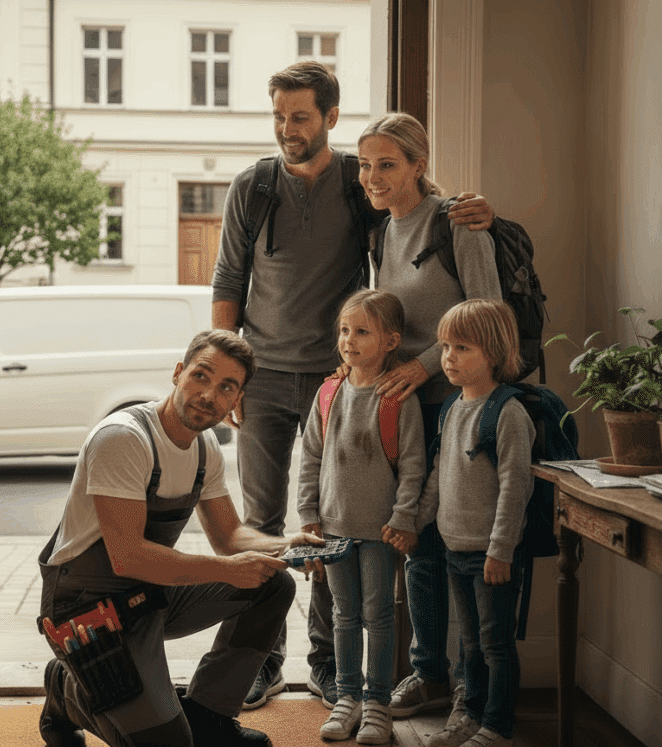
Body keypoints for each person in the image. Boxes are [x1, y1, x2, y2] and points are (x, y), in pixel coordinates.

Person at [210, 60, 496, 712]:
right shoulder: (252, 188)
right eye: (280, 115)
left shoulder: (353, 182)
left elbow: (410, 208)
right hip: (265, 377)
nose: (288, 128)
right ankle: (259, 662)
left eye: (301, 116)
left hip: (341, 383)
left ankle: (328, 667)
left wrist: (462, 204)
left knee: (329, 527)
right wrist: (233, 375)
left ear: (330, 117)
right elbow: (229, 282)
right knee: (260, 523)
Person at [36, 329, 326, 747]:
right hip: (85, 606)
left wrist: (286, 545)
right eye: (201, 377)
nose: (209, 395)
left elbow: (229, 535)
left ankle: (209, 715)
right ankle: (66, 691)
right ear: (178, 373)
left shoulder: (205, 447)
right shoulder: (124, 438)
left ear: (236, 399)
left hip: (150, 595)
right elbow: (128, 557)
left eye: (227, 387)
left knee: (272, 584)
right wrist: (228, 570)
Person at [352, 112, 502, 725]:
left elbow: (489, 320)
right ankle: (429, 673)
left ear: (419, 164)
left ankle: (473, 689)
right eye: (365, 165)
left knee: (461, 549)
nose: (373, 177)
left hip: (459, 408)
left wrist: (423, 365)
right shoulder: (383, 233)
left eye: (387, 164)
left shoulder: (455, 223)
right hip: (408, 413)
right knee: (417, 545)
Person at [297, 290, 427, 744]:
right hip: (332, 529)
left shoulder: (397, 398)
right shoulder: (329, 392)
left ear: (391, 341)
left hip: (380, 532)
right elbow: (310, 456)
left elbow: (413, 465)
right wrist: (308, 515)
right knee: (342, 615)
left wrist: (405, 517)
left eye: (362, 332)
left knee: (380, 615)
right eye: (344, 331)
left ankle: (377, 704)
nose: (348, 341)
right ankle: (347, 698)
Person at [415, 299, 535, 747]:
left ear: (495, 351)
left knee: (496, 646)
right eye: (445, 346)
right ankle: (469, 715)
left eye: (462, 347)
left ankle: (498, 726)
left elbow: (515, 488)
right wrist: (416, 521)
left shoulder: (507, 413)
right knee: (467, 643)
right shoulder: (450, 409)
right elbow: (437, 478)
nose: (448, 357)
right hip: (454, 548)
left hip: (491, 555)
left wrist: (501, 550)